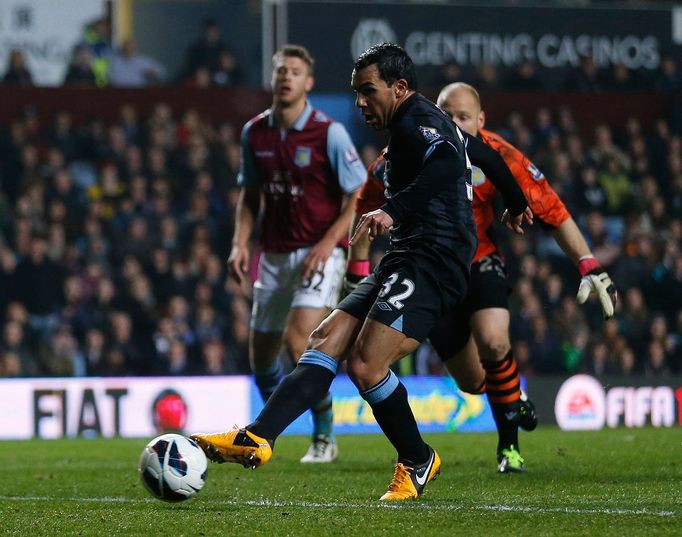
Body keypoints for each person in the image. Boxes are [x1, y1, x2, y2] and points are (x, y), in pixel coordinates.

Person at [192, 43, 529, 501]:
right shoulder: (426, 122)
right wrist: (515, 199)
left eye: (368, 92)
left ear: (400, 87)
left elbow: (451, 163)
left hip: (436, 260)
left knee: (368, 365)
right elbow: (483, 154)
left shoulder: (417, 122)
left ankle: (417, 459)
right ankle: (258, 435)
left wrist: (394, 209)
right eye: (356, 93)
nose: (360, 103)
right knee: (324, 340)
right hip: (408, 256)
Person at [430, 82, 615, 470]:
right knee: (473, 383)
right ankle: (514, 395)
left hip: (481, 260)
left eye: (462, 117)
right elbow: (366, 196)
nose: (453, 124)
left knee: (496, 343)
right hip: (433, 272)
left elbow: (553, 210)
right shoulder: (415, 149)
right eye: (446, 116)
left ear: (480, 120)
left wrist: (588, 263)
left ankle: (508, 449)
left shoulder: (499, 154)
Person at [223, 44, 365, 463]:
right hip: (274, 254)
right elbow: (249, 197)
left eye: (295, 71)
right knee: (261, 359)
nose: (286, 76)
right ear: (273, 78)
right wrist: (239, 243)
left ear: (309, 82)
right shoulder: (256, 132)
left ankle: (323, 435)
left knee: (298, 339)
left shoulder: (329, 133)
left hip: (319, 253)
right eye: (281, 70)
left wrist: (328, 244)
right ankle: (274, 431)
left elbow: (356, 196)